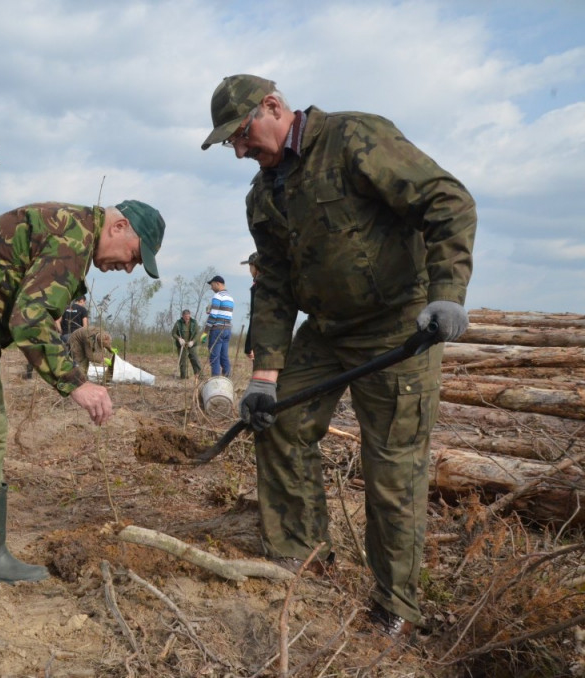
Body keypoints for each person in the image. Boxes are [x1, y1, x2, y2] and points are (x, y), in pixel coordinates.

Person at [202, 74, 476, 637]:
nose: (238, 149)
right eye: (229, 141)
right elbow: (274, 286)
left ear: (273, 107)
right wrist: (265, 377)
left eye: (241, 133)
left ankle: (395, 606)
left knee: (393, 467)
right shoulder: (262, 195)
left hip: (398, 325)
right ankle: (302, 557)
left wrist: (447, 294)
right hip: (327, 331)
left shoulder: (353, 139)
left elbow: (447, 200)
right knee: (275, 421)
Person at [0, 200, 165, 584]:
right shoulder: (73, 240)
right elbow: (29, 318)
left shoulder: (69, 227)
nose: (128, 268)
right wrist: (78, 384)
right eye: (134, 256)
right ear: (119, 227)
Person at [25, 295, 89, 378]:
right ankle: (73, 377)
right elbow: (85, 326)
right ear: (82, 300)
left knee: (60, 356)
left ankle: (33, 365)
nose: (84, 304)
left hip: (65, 336)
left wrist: (60, 331)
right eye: (84, 302)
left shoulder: (65, 308)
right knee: (76, 358)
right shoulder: (83, 310)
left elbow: (57, 321)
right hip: (76, 338)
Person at [203, 275, 234, 376]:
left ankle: (215, 383)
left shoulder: (217, 296)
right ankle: (227, 382)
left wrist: (205, 333)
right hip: (227, 330)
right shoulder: (230, 298)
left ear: (218, 284)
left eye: (212, 285)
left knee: (214, 357)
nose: (211, 287)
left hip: (217, 330)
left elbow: (213, 316)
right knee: (224, 357)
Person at [171, 309, 202, 379]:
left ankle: (199, 375)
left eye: (188, 316)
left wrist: (193, 341)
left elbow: (197, 334)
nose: (187, 318)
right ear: (183, 316)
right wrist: (179, 339)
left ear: (190, 315)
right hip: (182, 345)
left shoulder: (194, 322)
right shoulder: (178, 323)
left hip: (191, 345)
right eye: (185, 317)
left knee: (195, 360)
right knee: (183, 362)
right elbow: (173, 333)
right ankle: (183, 377)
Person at [241, 253, 259, 359]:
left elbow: (255, 315)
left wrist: (249, 345)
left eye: (250, 266)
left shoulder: (257, 287)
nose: (249, 270)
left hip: (260, 339)